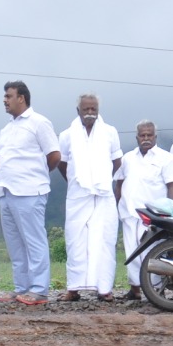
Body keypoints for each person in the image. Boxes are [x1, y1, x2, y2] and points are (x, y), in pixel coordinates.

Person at [0, 80, 60, 305]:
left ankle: (39, 290)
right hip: (7, 192)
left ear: (22, 98)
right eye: (4, 96)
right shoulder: (7, 129)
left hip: (30, 192)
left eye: (8, 96)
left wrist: (35, 173)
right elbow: (2, 162)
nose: (4, 100)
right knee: (15, 244)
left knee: (34, 241)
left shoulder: (39, 123)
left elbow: (54, 155)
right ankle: (22, 288)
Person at [57, 93, 123, 301]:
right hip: (77, 195)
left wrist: (102, 181)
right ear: (78, 111)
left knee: (104, 240)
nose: (90, 113)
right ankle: (73, 289)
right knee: (75, 241)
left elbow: (117, 161)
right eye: (86, 109)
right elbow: (62, 163)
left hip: (103, 195)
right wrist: (77, 182)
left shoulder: (110, 132)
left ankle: (104, 289)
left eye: (93, 109)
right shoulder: (67, 135)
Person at [114, 120, 173, 300]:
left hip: (153, 217)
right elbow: (119, 183)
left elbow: (172, 186)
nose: (146, 138)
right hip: (129, 214)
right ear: (137, 137)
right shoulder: (127, 158)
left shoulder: (166, 158)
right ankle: (135, 290)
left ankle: (157, 290)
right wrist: (116, 205)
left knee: (153, 253)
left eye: (149, 135)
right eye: (142, 135)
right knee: (132, 252)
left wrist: (170, 213)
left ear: (155, 137)